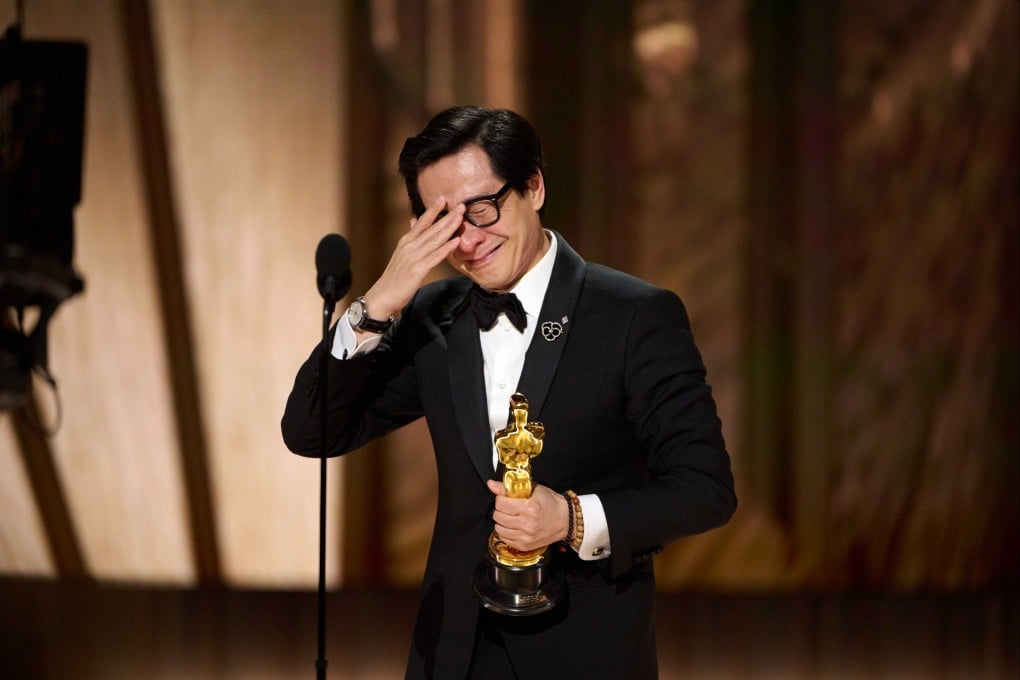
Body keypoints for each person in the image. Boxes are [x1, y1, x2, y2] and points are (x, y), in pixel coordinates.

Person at [282, 105, 736, 679]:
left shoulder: (634, 315)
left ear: (534, 186)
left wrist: (571, 519)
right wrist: (376, 306)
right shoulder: (432, 318)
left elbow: (705, 490)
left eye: (482, 208)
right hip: (450, 654)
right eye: (443, 222)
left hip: (584, 656)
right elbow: (310, 431)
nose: (468, 240)